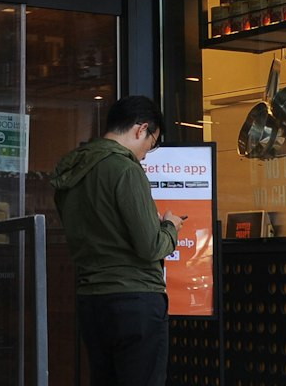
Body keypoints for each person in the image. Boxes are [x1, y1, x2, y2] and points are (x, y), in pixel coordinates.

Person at [50, 96, 184, 386]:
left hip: (91, 300)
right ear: (141, 129)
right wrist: (170, 227)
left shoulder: (72, 171)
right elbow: (151, 246)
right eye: (151, 143)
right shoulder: (125, 169)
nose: (146, 154)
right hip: (135, 300)